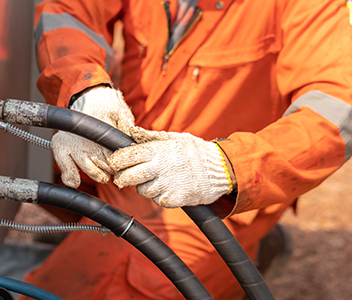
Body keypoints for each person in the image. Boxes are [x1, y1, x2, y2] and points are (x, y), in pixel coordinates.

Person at [22, 0, 352, 299]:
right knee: (23, 146)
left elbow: (337, 111)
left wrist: (224, 167)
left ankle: (233, 254)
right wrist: (85, 89)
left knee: (136, 282)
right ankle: (92, 232)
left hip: (210, 186)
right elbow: (69, 10)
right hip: (130, 143)